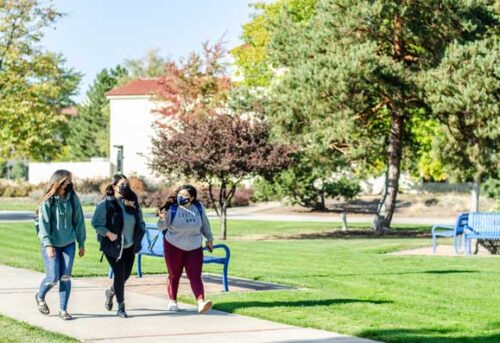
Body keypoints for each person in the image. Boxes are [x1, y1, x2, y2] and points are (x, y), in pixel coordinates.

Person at [91, 174, 145, 318]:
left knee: (125, 275)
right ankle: (121, 307)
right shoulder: (106, 204)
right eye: (121, 184)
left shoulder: (132, 202)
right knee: (120, 275)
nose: (124, 187)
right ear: (114, 186)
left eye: (126, 185)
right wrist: (109, 234)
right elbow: (96, 223)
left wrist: (141, 230)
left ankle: (111, 292)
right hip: (113, 247)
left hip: (129, 246)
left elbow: (140, 220)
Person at [35, 169, 86, 320]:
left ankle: (63, 310)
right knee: (53, 277)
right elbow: (43, 225)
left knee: (65, 277)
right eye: (67, 180)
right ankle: (40, 296)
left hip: (69, 244)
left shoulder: (72, 199)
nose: (70, 183)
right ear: (59, 181)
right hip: (51, 244)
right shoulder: (48, 201)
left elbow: (79, 222)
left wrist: (81, 242)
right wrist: (48, 244)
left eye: (71, 180)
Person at [158, 184, 214, 314]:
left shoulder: (198, 208)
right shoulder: (172, 209)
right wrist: (162, 220)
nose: (181, 197)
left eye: (185, 196)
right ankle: (172, 301)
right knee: (174, 275)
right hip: (173, 246)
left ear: (192, 197)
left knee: (195, 275)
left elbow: (204, 223)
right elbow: (161, 227)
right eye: (179, 195)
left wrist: (209, 239)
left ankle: (200, 302)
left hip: (194, 247)